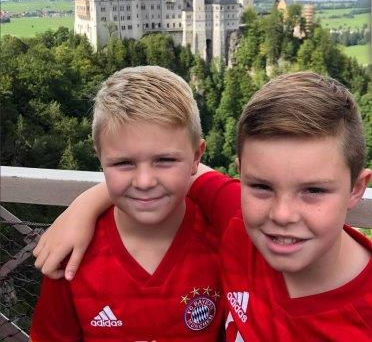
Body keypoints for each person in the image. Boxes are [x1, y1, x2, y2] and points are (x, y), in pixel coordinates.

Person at [34, 71, 372, 340]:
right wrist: (86, 204)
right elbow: (174, 174)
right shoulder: (237, 220)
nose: (282, 215)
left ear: (356, 189)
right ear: (243, 178)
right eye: (261, 187)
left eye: (313, 190)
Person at [30, 66, 226, 342]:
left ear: (196, 157)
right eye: (123, 163)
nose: (144, 181)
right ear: (100, 159)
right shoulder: (73, 255)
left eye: (165, 160)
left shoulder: (222, 243)